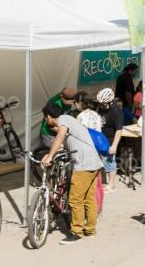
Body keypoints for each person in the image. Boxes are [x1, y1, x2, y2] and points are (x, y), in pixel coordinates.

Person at [41, 102, 103, 243]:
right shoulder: (71, 122)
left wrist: (50, 157)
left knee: (75, 199)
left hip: (84, 164)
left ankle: (77, 233)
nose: (46, 121)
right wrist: (49, 154)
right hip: (93, 162)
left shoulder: (63, 119)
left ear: (49, 116)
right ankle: (90, 229)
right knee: (88, 198)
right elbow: (63, 144)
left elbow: (59, 138)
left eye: (45, 118)